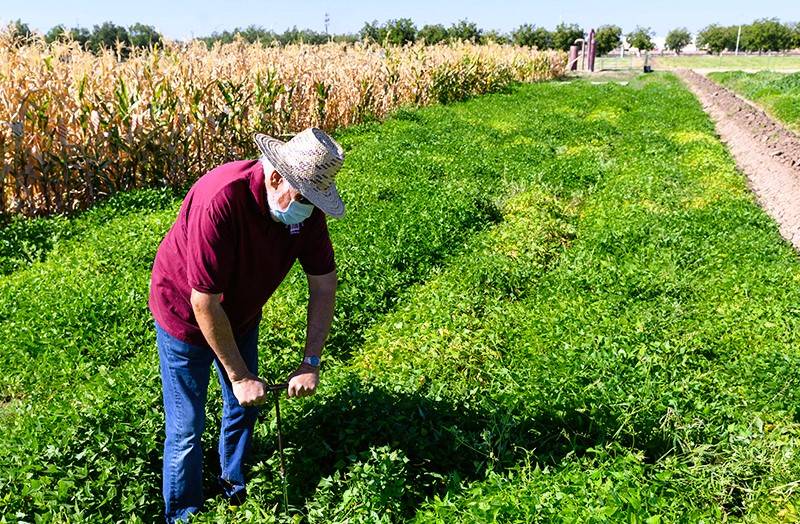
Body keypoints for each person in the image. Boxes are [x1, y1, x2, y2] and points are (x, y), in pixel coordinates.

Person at [148, 127, 345, 523]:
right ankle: (184, 514)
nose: (308, 209)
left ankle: (233, 488)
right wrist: (238, 376)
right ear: (275, 178)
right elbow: (203, 302)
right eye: (304, 198)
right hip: (184, 316)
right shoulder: (221, 198)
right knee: (187, 427)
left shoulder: (306, 215)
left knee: (244, 409)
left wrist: (311, 362)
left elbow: (324, 286)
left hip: (238, 314)